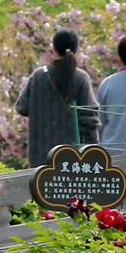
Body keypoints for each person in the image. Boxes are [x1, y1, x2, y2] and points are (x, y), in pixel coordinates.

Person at [14, 28, 100, 167]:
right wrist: (95, 152)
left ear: (53, 48)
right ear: (76, 50)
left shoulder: (39, 76)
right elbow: (90, 120)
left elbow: (21, 107)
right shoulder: (81, 78)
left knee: (41, 189)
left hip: (40, 159)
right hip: (72, 159)